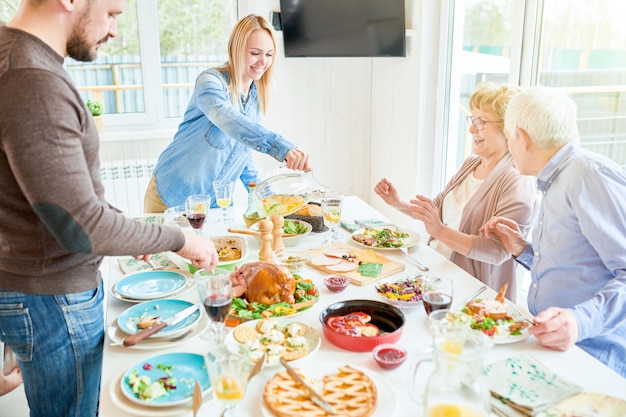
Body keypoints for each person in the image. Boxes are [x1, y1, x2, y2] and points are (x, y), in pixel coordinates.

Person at [0, 1, 220, 416]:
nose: (115, 29)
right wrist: (179, 238)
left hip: (37, 288)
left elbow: (67, 194)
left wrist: (128, 228)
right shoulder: (34, 79)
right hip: (54, 296)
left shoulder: (15, 55)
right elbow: (81, 226)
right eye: (114, 13)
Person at [481, 86, 626, 378]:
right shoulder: (558, 179)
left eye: (509, 139)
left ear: (521, 138)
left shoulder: (587, 175)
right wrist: (523, 249)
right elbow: (579, 265)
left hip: (594, 357)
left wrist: (578, 321)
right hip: (554, 346)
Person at [375, 82, 536, 300]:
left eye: (481, 122)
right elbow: (436, 211)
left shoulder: (517, 180)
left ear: (508, 128)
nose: (471, 129)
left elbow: (498, 251)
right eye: (472, 120)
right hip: (436, 274)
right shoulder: (472, 163)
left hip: (471, 294)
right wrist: (397, 202)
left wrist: (440, 231)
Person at [144, 14, 311, 213]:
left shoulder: (255, 97)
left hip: (214, 206)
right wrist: (280, 147)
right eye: (255, 53)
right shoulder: (210, 82)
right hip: (172, 198)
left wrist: (264, 197)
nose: (262, 62)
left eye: (269, 54)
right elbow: (229, 119)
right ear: (236, 49)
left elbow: (242, 150)